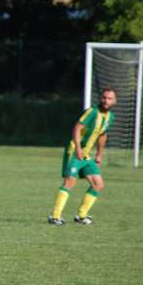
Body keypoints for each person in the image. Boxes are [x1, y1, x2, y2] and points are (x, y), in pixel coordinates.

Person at [48, 88, 117, 226]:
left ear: (115, 101)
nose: (106, 100)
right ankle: (55, 217)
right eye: (104, 97)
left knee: (98, 185)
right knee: (70, 182)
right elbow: (77, 128)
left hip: (86, 155)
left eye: (109, 98)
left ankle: (81, 216)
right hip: (75, 151)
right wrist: (78, 149)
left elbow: (102, 135)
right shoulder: (92, 112)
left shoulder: (110, 117)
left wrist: (99, 154)